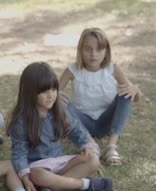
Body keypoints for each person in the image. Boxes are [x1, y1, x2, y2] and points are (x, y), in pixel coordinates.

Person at [7, 62, 114, 191]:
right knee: (38, 176)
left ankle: (52, 187)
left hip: (59, 163)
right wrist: (25, 177)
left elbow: (75, 129)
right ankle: (86, 184)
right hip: (38, 167)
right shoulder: (21, 121)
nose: (51, 95)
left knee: (93, 160)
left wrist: (85, 145)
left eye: (53, 89)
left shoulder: (59, 111)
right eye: (44, 91)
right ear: (30, 93)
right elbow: (19, 152)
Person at [59, 27, 142, 165]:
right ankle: (88, 143)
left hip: (105, 122)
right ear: (80, 50)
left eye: (99, 49)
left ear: (106, 51)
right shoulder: (72, 70)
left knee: (126, 92)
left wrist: (135, 90)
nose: (93, 54)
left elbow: (136, 97)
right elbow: (50, 93)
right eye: (88, 49)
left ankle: (111, 146)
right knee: (58, 100)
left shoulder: (112, 68)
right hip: (81, 123)